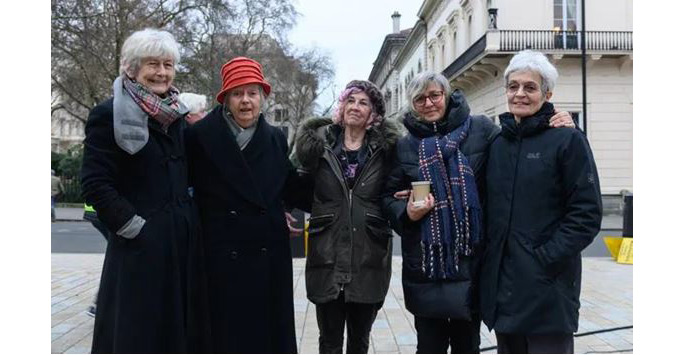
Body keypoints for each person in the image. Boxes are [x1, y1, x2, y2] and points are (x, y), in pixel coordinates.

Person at [382, 71, 575, 353]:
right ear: (412, 104)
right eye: (420, 98)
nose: (429, 103)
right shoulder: (404, 145)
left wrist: (556, 121)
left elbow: (519, 145)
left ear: (447, 96)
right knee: (429, 346)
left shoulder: (481, 130)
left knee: (468, 345)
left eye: (435, 95)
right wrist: (406, 212)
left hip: (472, 261)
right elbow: (388, 197)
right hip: (426, 263)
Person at [80, 28, 210, 353]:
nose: (162, 72)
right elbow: (95, 183)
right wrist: (135, 229)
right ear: (132, 68)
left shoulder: (177, 115)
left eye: (168, 64)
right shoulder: (107, 114)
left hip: (181, 247)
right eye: (153, 64)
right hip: (139, 250)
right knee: (137, 336)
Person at [479, 50, 602, 354]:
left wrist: (544, 258)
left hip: (548, 288)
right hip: (503, 289)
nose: (519, 94)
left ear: (547, 94)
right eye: (513, 86)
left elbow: (586, 214)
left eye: (530, 87)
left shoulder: (568, 140)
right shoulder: (497, 144)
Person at [185, 56, 307, 353]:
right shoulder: (199, 136)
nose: (245, 101)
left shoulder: (276, 138)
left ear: (263, 97)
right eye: (237, 93)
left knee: (265, 337)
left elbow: (287, 186)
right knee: (223, 335)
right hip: (218, 254)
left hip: (267, 254)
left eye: (252, 93)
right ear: (225, 98)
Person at [295, 80, 400, 353]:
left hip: (369, 256)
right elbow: (294, 187)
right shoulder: (319, 147)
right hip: (327, 255)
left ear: (373, 114)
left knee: (359, 341)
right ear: (341, 106)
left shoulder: (386, 151)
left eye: (363, 102)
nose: (355, 107)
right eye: (350, 100)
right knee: (328, 341)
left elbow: (396, 190)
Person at [83, 203, 108, 318]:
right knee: (125, 257)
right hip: (108, 209)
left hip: (98, 209)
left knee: (121, 256)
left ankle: (99, 304)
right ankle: (100, 304)